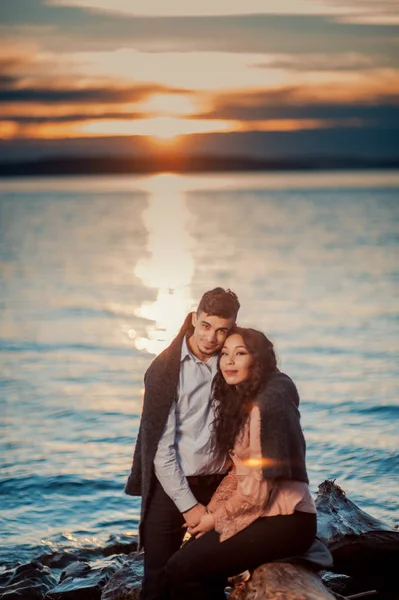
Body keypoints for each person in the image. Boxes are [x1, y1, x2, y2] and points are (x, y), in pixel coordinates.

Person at [165, 327, 322, 600]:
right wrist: (210, 513)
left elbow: (257, 491)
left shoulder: (265, 407)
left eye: (240, 354)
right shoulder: (243, 401)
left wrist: (214, 520)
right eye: (225, 354)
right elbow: (239, 473)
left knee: (180, 568)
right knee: (192, 560)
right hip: (263, 514)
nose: (229, 361)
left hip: (288, 521)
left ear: (257, 360)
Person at [124, 288, 240, 600]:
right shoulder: (164, 370)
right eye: (206, 325)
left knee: (210, 577)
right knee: (157, 579)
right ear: (193, 319)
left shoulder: (233, 363)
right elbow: (161, 448)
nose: (212, 338)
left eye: (221, 330)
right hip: (171, 485)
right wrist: (188, 506)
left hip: (220, 485)